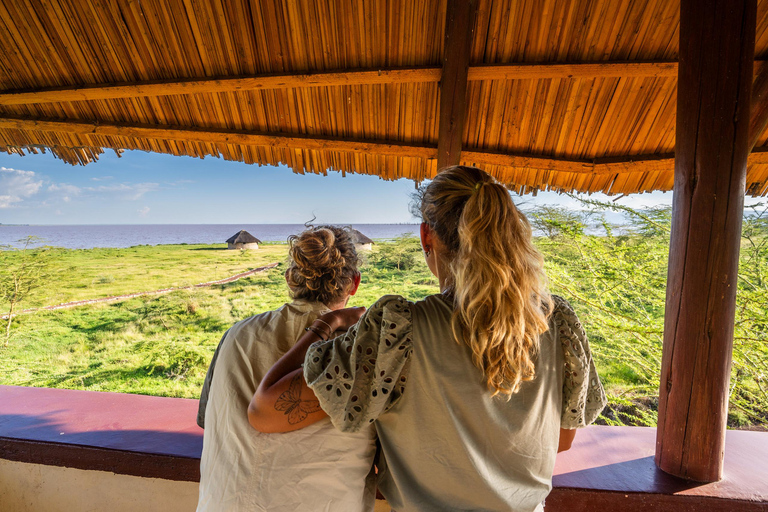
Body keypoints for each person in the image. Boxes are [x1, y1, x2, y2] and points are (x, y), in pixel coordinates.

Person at [249, 166, 607, 512]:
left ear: (426, 236)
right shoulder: (557, 322)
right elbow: (561, 439)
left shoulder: (399, 333)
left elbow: (265, 412)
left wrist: (325, 325)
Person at [196, 226, 377, 512]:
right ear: (354, 284)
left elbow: (210, 422)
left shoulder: (236, 335)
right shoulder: (363, 350)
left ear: (290, 280)